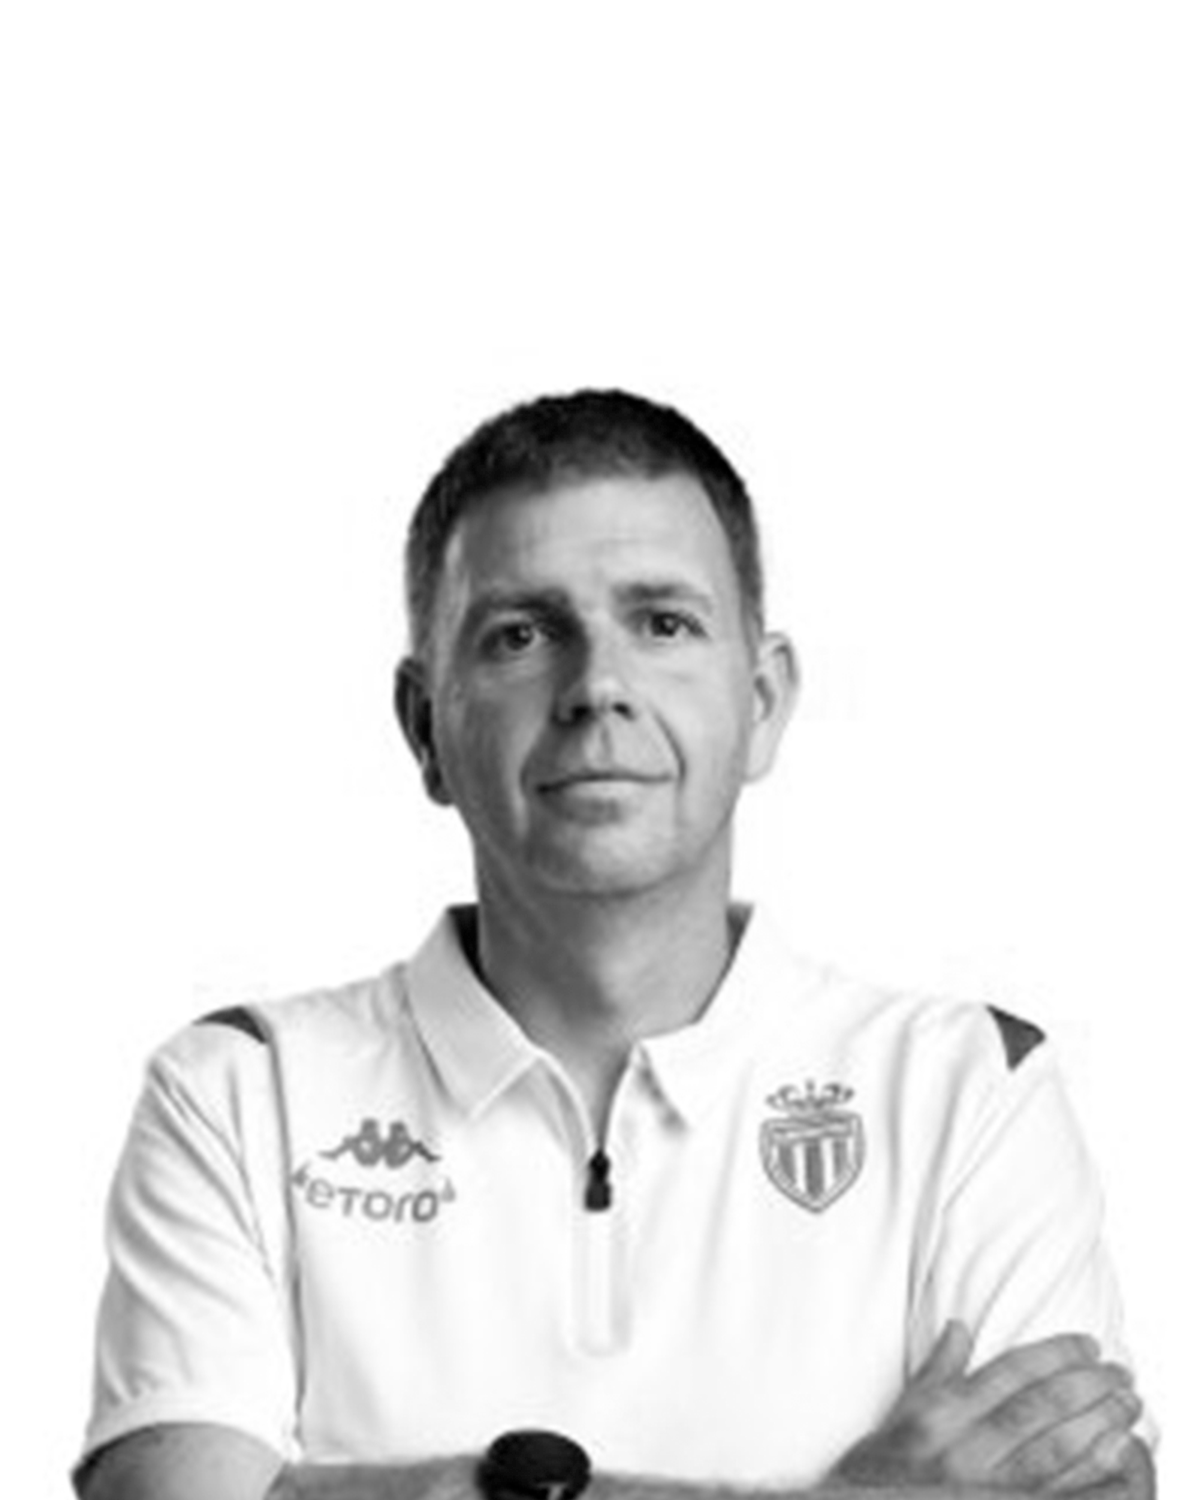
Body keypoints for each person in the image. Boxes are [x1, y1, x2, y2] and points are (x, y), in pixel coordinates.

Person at [75, 390, 1156, 1499]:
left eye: (664, 624)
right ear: (424, 726)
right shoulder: (242, 1094)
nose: (597, 688)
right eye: (521, 635)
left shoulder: (968, 1091)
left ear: (763, 702)